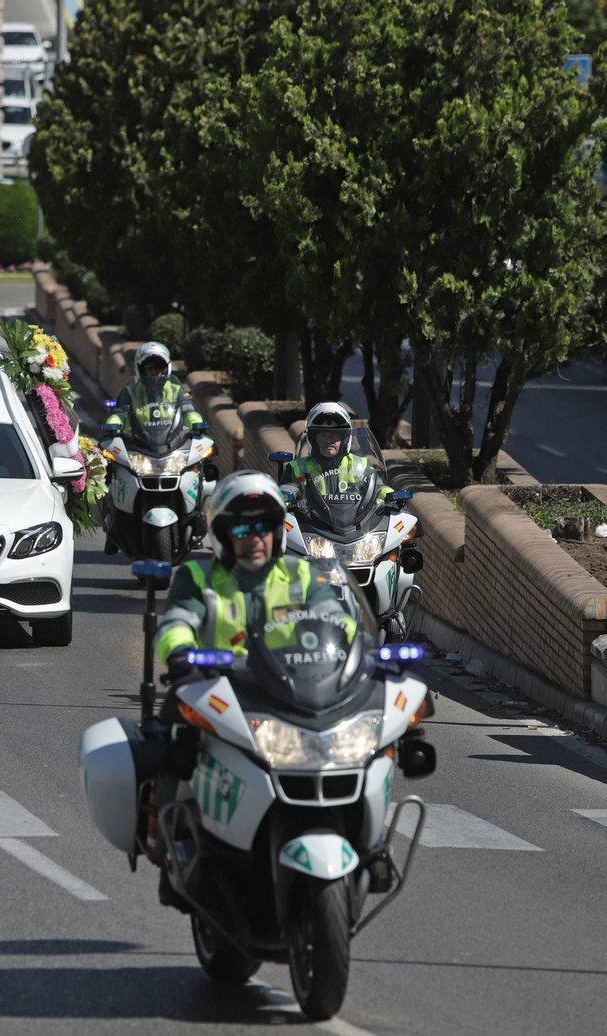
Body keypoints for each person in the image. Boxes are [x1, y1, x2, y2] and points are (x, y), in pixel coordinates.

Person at [148, 470, 356, 905]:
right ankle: (169, 851)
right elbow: (175, 625)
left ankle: (364, 844)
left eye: (264, 526)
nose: (255, 537)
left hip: (293, 695)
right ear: (224, 533)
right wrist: (182, 654)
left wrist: (356, 654)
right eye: (243, 528)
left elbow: (340, 621)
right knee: (175, 750)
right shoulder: (198, 574)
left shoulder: (301, 573)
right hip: (218, 694)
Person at [287, 401, 391, 504]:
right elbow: (289, 488)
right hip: (308, 519)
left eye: (335, 436)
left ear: (345, 439)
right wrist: (284, 496)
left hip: (355, 519)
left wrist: (390, 494)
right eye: (323, 436)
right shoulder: (298, 468)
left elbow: (378, 487)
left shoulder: (361, 465)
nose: (329, 441)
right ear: (313, 440)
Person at [101, 341, 206, 439]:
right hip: (136, 444)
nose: (154, 370)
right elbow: (120, 414)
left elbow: (188, 411)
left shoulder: (177, 390)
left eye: (159, 366)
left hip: (173, 443)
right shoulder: (130, 392)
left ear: (165, 367)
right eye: (149, 366)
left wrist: (196, 423)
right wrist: (113, 424)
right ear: (141, 368)